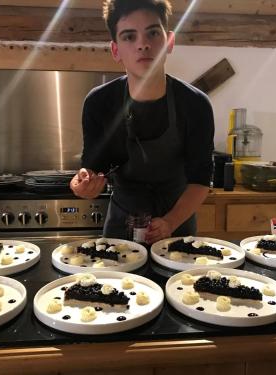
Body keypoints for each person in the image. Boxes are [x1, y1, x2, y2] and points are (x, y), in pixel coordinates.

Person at [70, 0, 214, 244]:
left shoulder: (195, 103)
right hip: (120, 225)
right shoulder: (99, 103)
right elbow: (91, 168)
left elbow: (200, 181)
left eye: (153, 33)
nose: (143, 44)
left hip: (177, 223)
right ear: (115, 50)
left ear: (169, 42)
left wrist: (169, 221)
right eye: (129, 36)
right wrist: (81, 185)